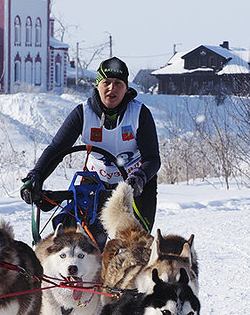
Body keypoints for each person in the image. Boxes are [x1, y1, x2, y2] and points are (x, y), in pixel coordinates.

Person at [20, 56, 160, 244]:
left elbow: (152, 158)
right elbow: (57, 149)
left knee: (136, 243)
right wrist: (36, 175)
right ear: (97, 86)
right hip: (96, 182)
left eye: (118, 83)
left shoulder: (139, 114)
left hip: (134, 185)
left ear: (126, 88)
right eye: (107, 82)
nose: (112, 88)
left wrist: (140, 178)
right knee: (88, 244)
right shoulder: (82, 113)